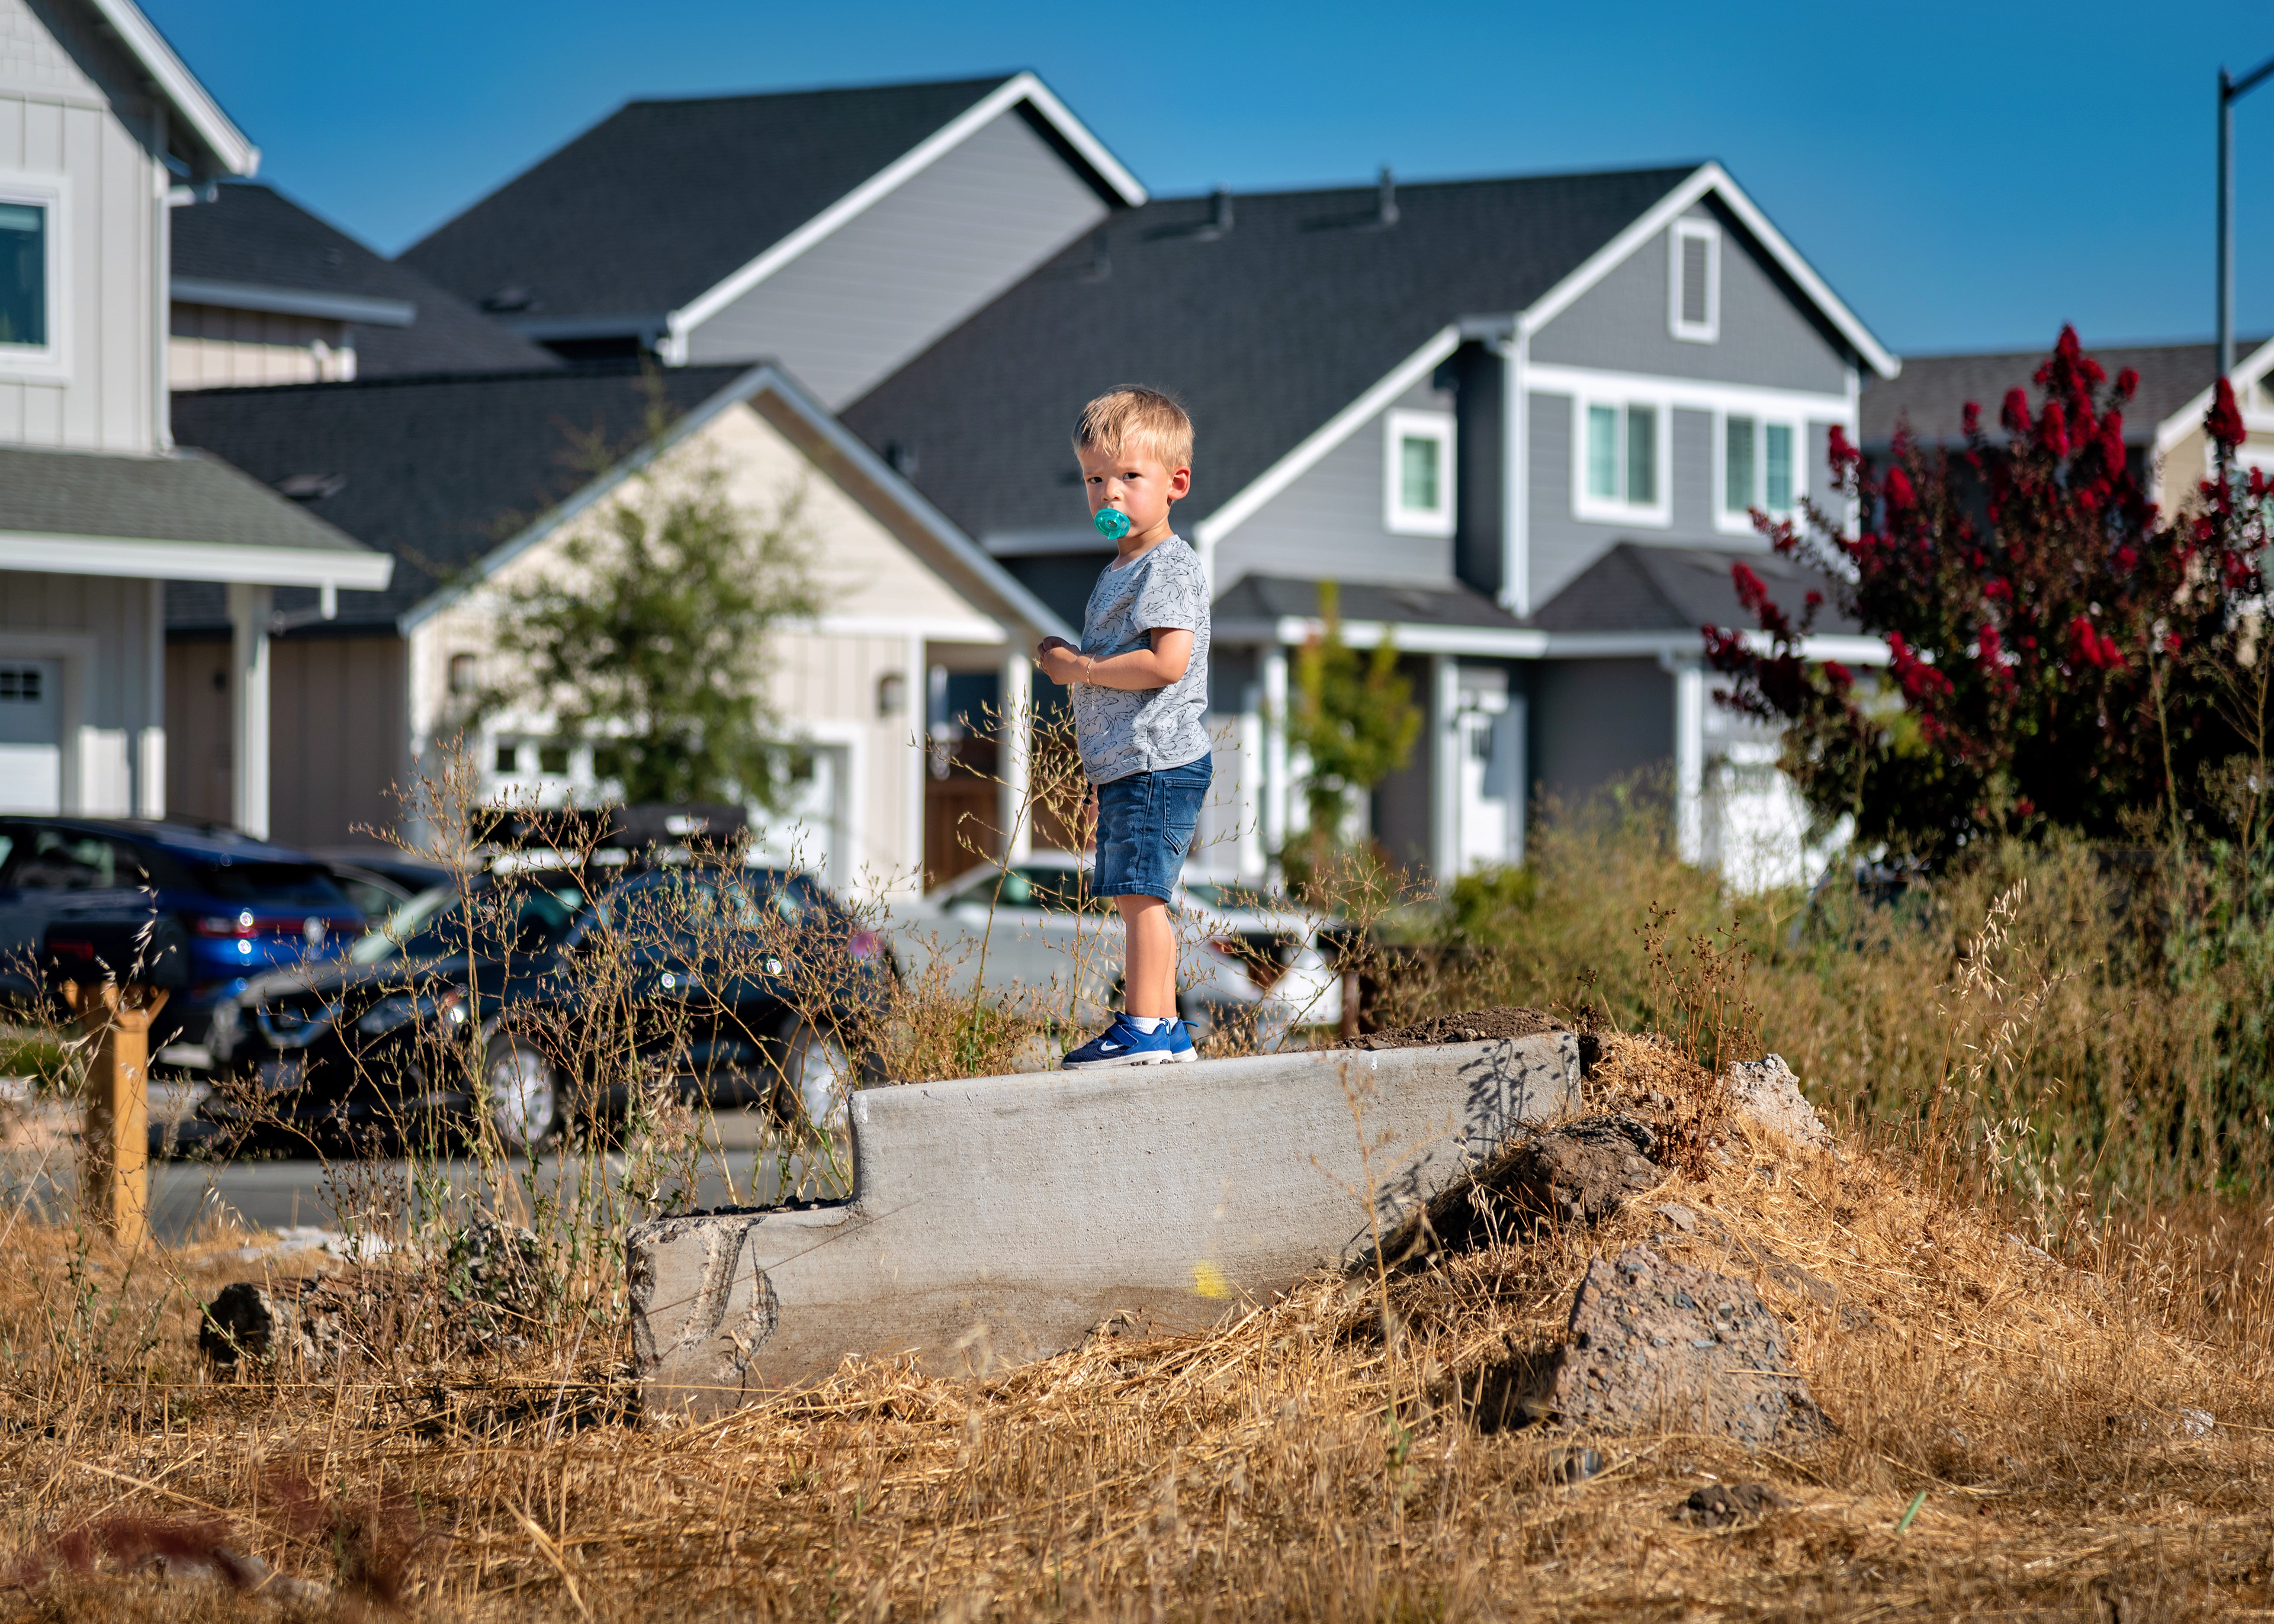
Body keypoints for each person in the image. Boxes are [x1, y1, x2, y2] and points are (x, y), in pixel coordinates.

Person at [1035, 387, 1212, 1067]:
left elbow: (1169, 662)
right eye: (1095, 479)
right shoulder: (1118, 569)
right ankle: (1164, 1028)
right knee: (1139, 895)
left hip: (1158, 758)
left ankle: (1142, 1025)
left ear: (1176, 484)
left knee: (1142, 898)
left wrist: (1080, 667)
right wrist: (1097, 778)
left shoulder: (1167, 564)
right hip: (1129, 764)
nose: (1110, 494)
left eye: (1129, 478)